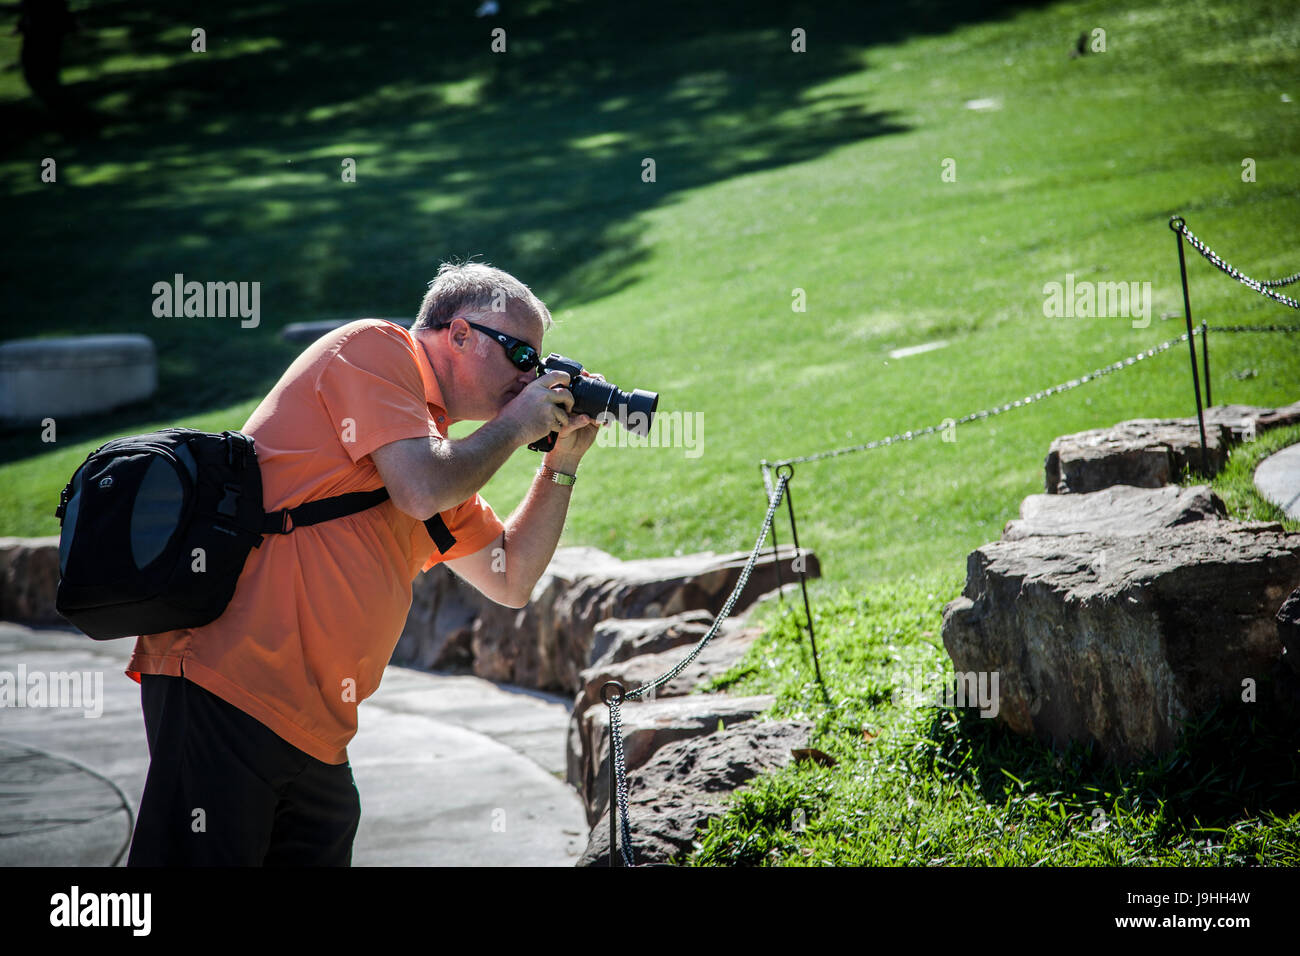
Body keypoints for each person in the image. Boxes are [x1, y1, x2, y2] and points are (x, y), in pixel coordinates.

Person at [125, 261, 603, 865]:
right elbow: (421, 491)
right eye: (520, 355)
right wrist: (514, 425)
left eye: (538, 363)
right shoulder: (374, 349)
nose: (531, 377)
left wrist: (561, 464)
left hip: (316, 732)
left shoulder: (434, 448)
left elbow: (512, 578)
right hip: (227, 683)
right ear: (458, 333)